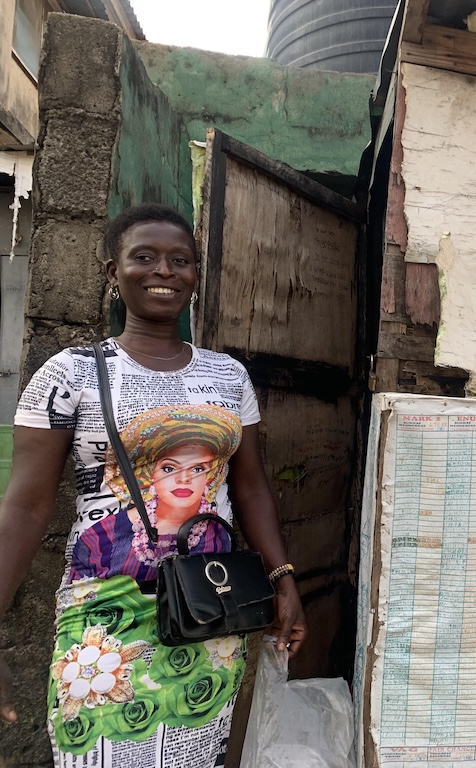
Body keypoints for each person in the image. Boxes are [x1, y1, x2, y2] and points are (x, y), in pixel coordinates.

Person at [0, 203, 306, 767]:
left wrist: (283, 578)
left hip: (208, 611)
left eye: (179, 261)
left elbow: (252, 488)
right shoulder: (69, 373)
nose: (164, 271)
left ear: (195, 276)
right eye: (144, 257)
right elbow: (25, 506)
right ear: (113, 273)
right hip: (101, 618)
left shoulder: (228, 377)